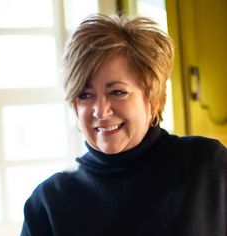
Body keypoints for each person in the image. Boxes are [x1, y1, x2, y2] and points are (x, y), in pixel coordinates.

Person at [20, 14, 227, 236]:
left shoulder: (206, 166)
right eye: (85, 95)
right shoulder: (48, 202)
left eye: (117, 92)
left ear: (152, 97)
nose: (100, 110)